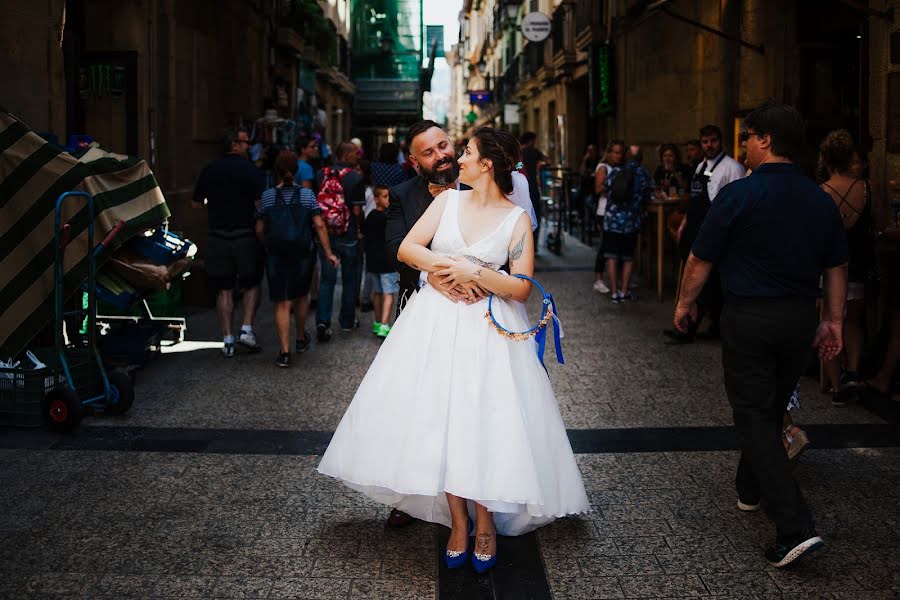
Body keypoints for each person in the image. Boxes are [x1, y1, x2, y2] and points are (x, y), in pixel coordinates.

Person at [318, 127, 589, 574]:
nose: (457, 157)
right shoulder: (446, 202)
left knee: (481, 423)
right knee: (440, 420)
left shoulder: (516, 219)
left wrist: (475, 273)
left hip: (489, 330)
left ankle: (485, 524)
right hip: (435, 323)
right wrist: (443, 273)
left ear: (487, 164)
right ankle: (458, 523)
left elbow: (521, 289)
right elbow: (406, 248)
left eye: (466, 151)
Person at [674, 103, 848, 568]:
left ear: (767, 140)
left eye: (748, 136)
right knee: (769, 408)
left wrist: (684, 304)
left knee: (753, 414)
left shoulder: (739, 195)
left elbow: (699, 260)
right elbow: (836, 266)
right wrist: (833, 322)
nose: (744, 145)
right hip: (798, 320)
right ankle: (750, 487)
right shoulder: (819, 199)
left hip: (750, 317)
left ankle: (794, 526)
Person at [255, 151, 339, 367]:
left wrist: (267, 246)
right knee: (301, 297)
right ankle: (300, 338)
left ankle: (284, 352)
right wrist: (328, 252)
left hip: (276, 254)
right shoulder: (307, 195)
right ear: (296, 170)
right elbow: (319, 225)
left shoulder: (267, 196)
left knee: (281, 302)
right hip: (303, 253)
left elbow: (259, 228)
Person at [668, 125, 745, 343]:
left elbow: (738, 205)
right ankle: (712, 327)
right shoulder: (700, 165)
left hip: (716, 230)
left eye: (713, 141)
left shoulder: (733, 168)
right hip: (695, 227)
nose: (709, 146)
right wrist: (684, 222)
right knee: (697, 275)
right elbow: (695, 200)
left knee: (708, 281)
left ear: (720, 141)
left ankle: (687, 328)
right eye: (705, 142)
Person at [192, 126, 265, 357]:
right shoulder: (251, 170)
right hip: (244, 235)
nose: (248, 146)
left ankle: (227, 340)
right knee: (251, 284)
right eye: (244, 142)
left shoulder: (209, 169)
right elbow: (259, 204)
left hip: (217, 235)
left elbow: (195, 203)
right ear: (234, 144)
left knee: (223, 289)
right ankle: (246, 330)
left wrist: (213, 203)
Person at [818, 131, 874, 405]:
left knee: (828, 321)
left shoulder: (822, 192)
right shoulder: (864, 188)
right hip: (859, 262)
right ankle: (852, 374)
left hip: (828, 266)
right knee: (853, 321)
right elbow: (880, 222)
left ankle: (836, 386)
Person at [314, 141, 366, 342]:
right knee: (350, 278)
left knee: (326, 280)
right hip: (348, 235)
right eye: (355, 153)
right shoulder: (355, 178)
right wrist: (361, 228)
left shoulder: (321, 174)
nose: (358, 156)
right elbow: (356, 211)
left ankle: (322, 322)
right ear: (346, 155)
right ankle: (346, 320)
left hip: (325, 236)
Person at [602, 145, 652, 303]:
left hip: (612, 221)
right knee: (628, 258)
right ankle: (624, 291)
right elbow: (647, 196)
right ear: (641, 158)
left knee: (612, 257)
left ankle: (614, 292)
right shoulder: (644, 174)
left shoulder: (616, 171)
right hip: (631, 222)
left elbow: (606, 188)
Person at [592, 140, 626, 294]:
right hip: (604, 211)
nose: (619, 155)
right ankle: (598, 279)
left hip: (617, 212)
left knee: (616, 247)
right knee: (605, 246)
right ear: (609, 153)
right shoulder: (603, 167)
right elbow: (598, 188)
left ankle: (617, 280)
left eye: (621, 152)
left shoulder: (619, 168)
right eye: (616, 152)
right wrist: (616, 190)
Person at [364, 185, 397, 338]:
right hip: (385, 262)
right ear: (376, 199)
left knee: (377, 293)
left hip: (372, 261)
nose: (388, 199)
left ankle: (377, 323)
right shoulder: (386, 218)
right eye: (384, 196)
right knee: (388, 293)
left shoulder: (370, 216)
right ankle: (384, 325)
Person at [519, 132, 547, 247]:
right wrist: (539, 165)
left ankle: (524, 243)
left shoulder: (519, 153)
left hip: (522, 186)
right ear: (531, 141)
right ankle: (533, 244)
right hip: (533, 187)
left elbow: (518, 166)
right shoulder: (534, 152)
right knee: (535, 213)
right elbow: (547, 161)